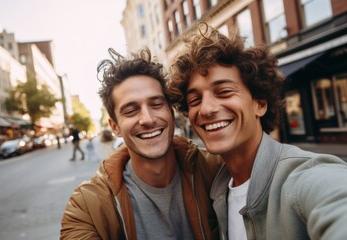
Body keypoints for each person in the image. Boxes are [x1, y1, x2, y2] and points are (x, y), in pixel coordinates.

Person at [168, 23, 347, 240]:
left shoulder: (303, 177)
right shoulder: (217, 192)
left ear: (260, 104)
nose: (206, 109)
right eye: (195, 100)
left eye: (224, 92)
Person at [60, 48, 222, 239]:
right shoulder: (87, 206)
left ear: (171, 112)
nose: (147, 119)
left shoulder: (216, 170)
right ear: (115, 127)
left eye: (156, 104)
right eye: (130, 110)